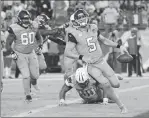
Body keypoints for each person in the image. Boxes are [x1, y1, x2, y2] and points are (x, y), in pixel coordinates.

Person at [64, 9, 128, 113]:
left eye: (83, 17)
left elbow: (104, 40)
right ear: (75, 21)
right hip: (90, 65)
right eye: (79, 18)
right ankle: (121, 106)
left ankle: (114, 77)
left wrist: (119, 46)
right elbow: (67, 52)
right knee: (106, 85)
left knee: (116, 84)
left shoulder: (93, 27)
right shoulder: (73, 33)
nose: (82, 19)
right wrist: (81, 57)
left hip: (101, 61)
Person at [5, 10, 43, 102]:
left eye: (28, 19)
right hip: (20, 54)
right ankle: (28, 95)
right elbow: (7, 43)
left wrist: (40, 45)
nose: (26, 21)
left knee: (35, 75)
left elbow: (39, 37)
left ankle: (34, 83)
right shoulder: (14, 28)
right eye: (24, 19)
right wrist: (12, 52)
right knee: (26, 75)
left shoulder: (33, 25)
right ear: (19, 19)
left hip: (31, 52)